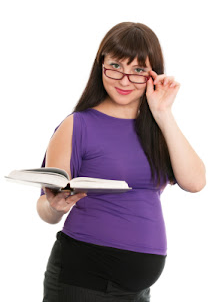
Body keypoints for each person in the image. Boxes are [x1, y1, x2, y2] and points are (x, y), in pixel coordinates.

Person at [37, 22, 206, 302]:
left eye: (138, 70)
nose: (125, 80)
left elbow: (196, 182)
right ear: (101, 64)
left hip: (137, 291)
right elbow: (45, 208)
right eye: (116, 66)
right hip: (82, 278)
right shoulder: (76, 125)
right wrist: (54, 206)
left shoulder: (157, 128)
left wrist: (163, 112)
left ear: (153, 75)